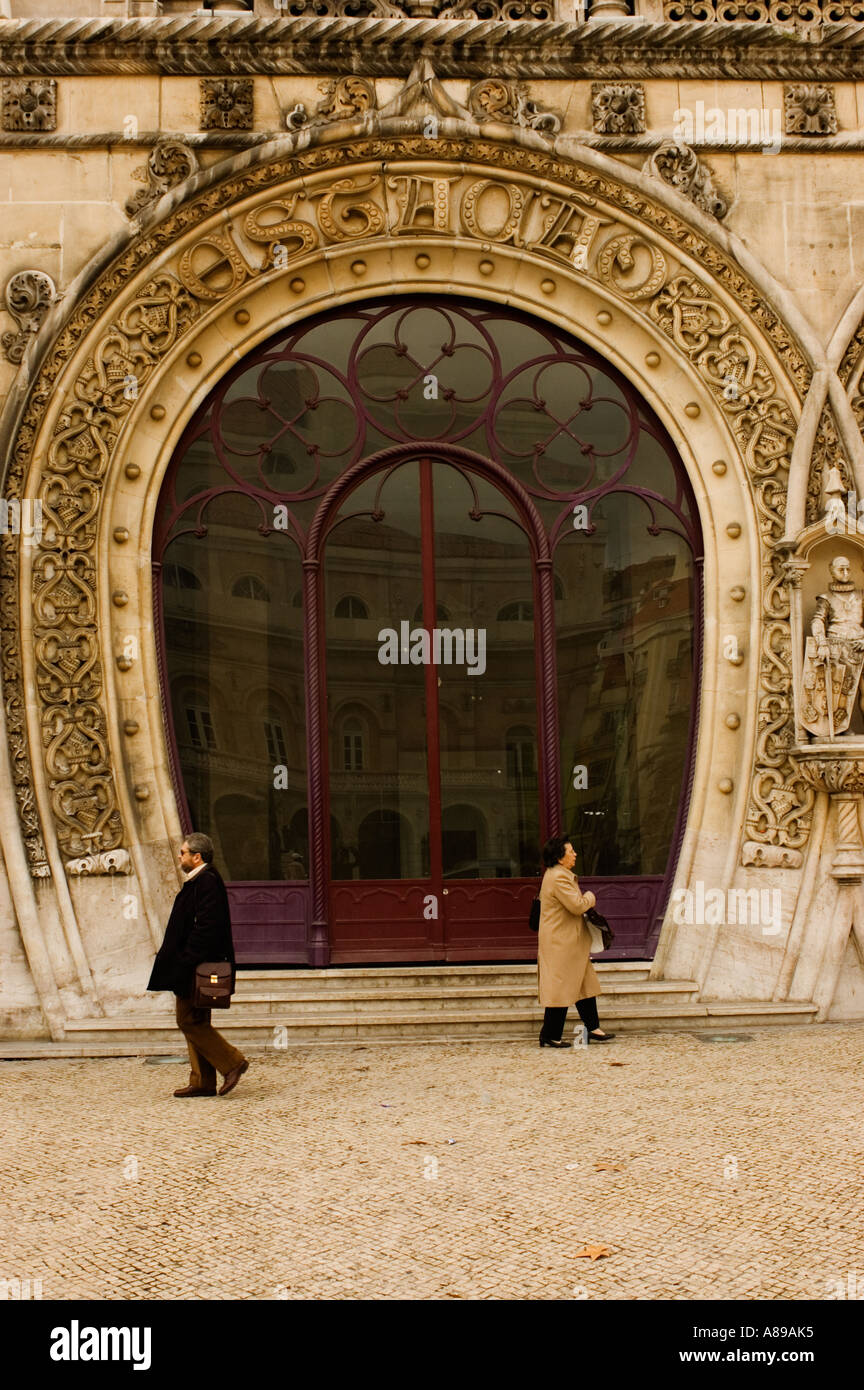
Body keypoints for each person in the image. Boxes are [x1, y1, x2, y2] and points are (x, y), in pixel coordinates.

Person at [147, 832, 250, 1097]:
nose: (179, 856)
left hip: (196, 967)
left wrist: (186, 959)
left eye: (183, 852)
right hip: (194, 965)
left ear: (197, 856)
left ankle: (232, 1062)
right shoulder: (200, 881)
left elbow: (207, 927)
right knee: (197, 1019)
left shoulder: (206, 882)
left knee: (188, 1019)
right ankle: (203, 1081)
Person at [537, 834, 615, 1048]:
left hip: (569, 941)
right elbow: (578, 906)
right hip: (561, 942)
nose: (575, 854)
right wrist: (591, 896)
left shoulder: (560, 874)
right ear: (560, 857)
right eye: (571, 851)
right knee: (560, 987)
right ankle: (550, 1035)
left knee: (584, 984)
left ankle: (593, 1028)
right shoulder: (558, 877)